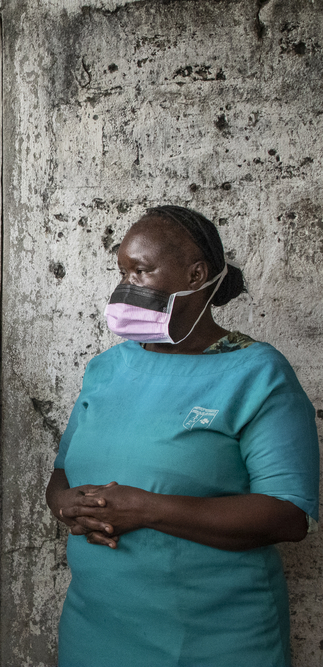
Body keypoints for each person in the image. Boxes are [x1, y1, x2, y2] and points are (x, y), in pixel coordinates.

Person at [46, 205, 320, 667]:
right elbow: (62, 473)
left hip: (212, 642)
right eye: (121, 273)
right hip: (95, 633)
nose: (124, 289)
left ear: (196, 275)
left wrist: (147, 509)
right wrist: (63, 504)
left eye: (141, 271)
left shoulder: (256, 373)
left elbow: (289, 517)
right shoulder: (106, 369)